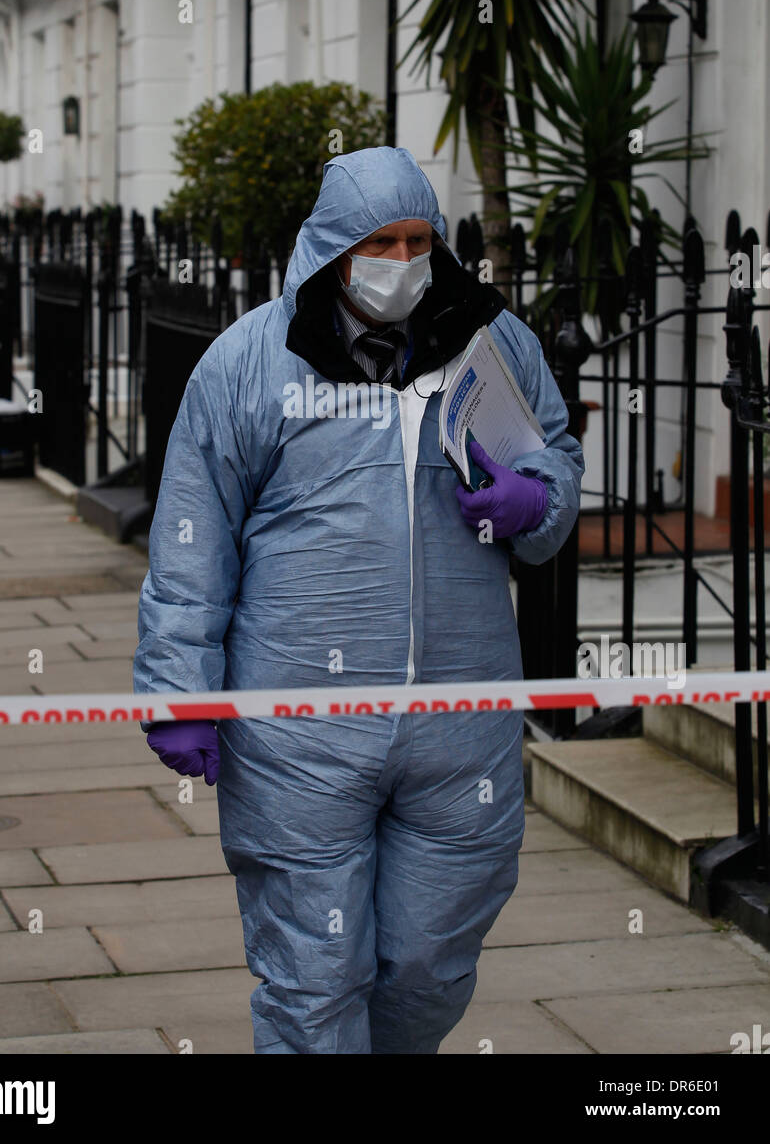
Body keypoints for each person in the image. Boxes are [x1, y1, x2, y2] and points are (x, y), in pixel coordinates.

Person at [134, 145, 584, 1054]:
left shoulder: (493, 343)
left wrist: (535, 499)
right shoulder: (248, 363)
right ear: (336, 248)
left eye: (419, 239)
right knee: (312, 972)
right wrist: (180, 687)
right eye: (381, 241)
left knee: (428, 959)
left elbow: (555, 462)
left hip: (460, 720)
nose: (402, 260)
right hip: (297, 725)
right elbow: (194, 535)